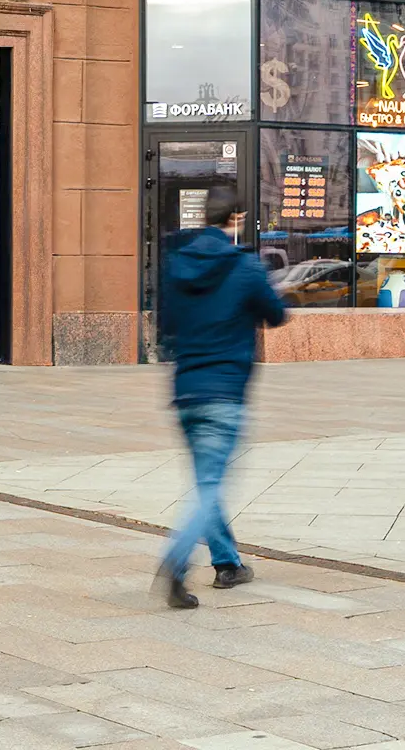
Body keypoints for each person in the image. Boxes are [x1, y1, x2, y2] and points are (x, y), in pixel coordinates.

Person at [155, 185, 288, 610]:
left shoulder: (178, 264)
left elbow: (167, 327)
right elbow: (276, 314)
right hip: (225, 391)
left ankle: (228, 563)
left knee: (205, 483)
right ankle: (177, 559)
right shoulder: (244, 266)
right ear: (237, 218)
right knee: (211, 486)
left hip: (185, 390)